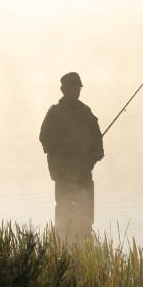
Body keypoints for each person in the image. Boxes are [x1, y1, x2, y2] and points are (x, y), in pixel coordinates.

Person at [39, 72, 104, 241]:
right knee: (63, 218)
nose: (76, 91)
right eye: (73, 87)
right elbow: (44, 139)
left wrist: (94, 155)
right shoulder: (54, 112)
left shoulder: (86, 112)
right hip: (64, 174)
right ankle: (62, 251)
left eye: (78, 88)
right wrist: (65, 154)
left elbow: (98, 140)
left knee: (86, 219)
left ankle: (85, 251)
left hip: (83, 172)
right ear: (63, 89)